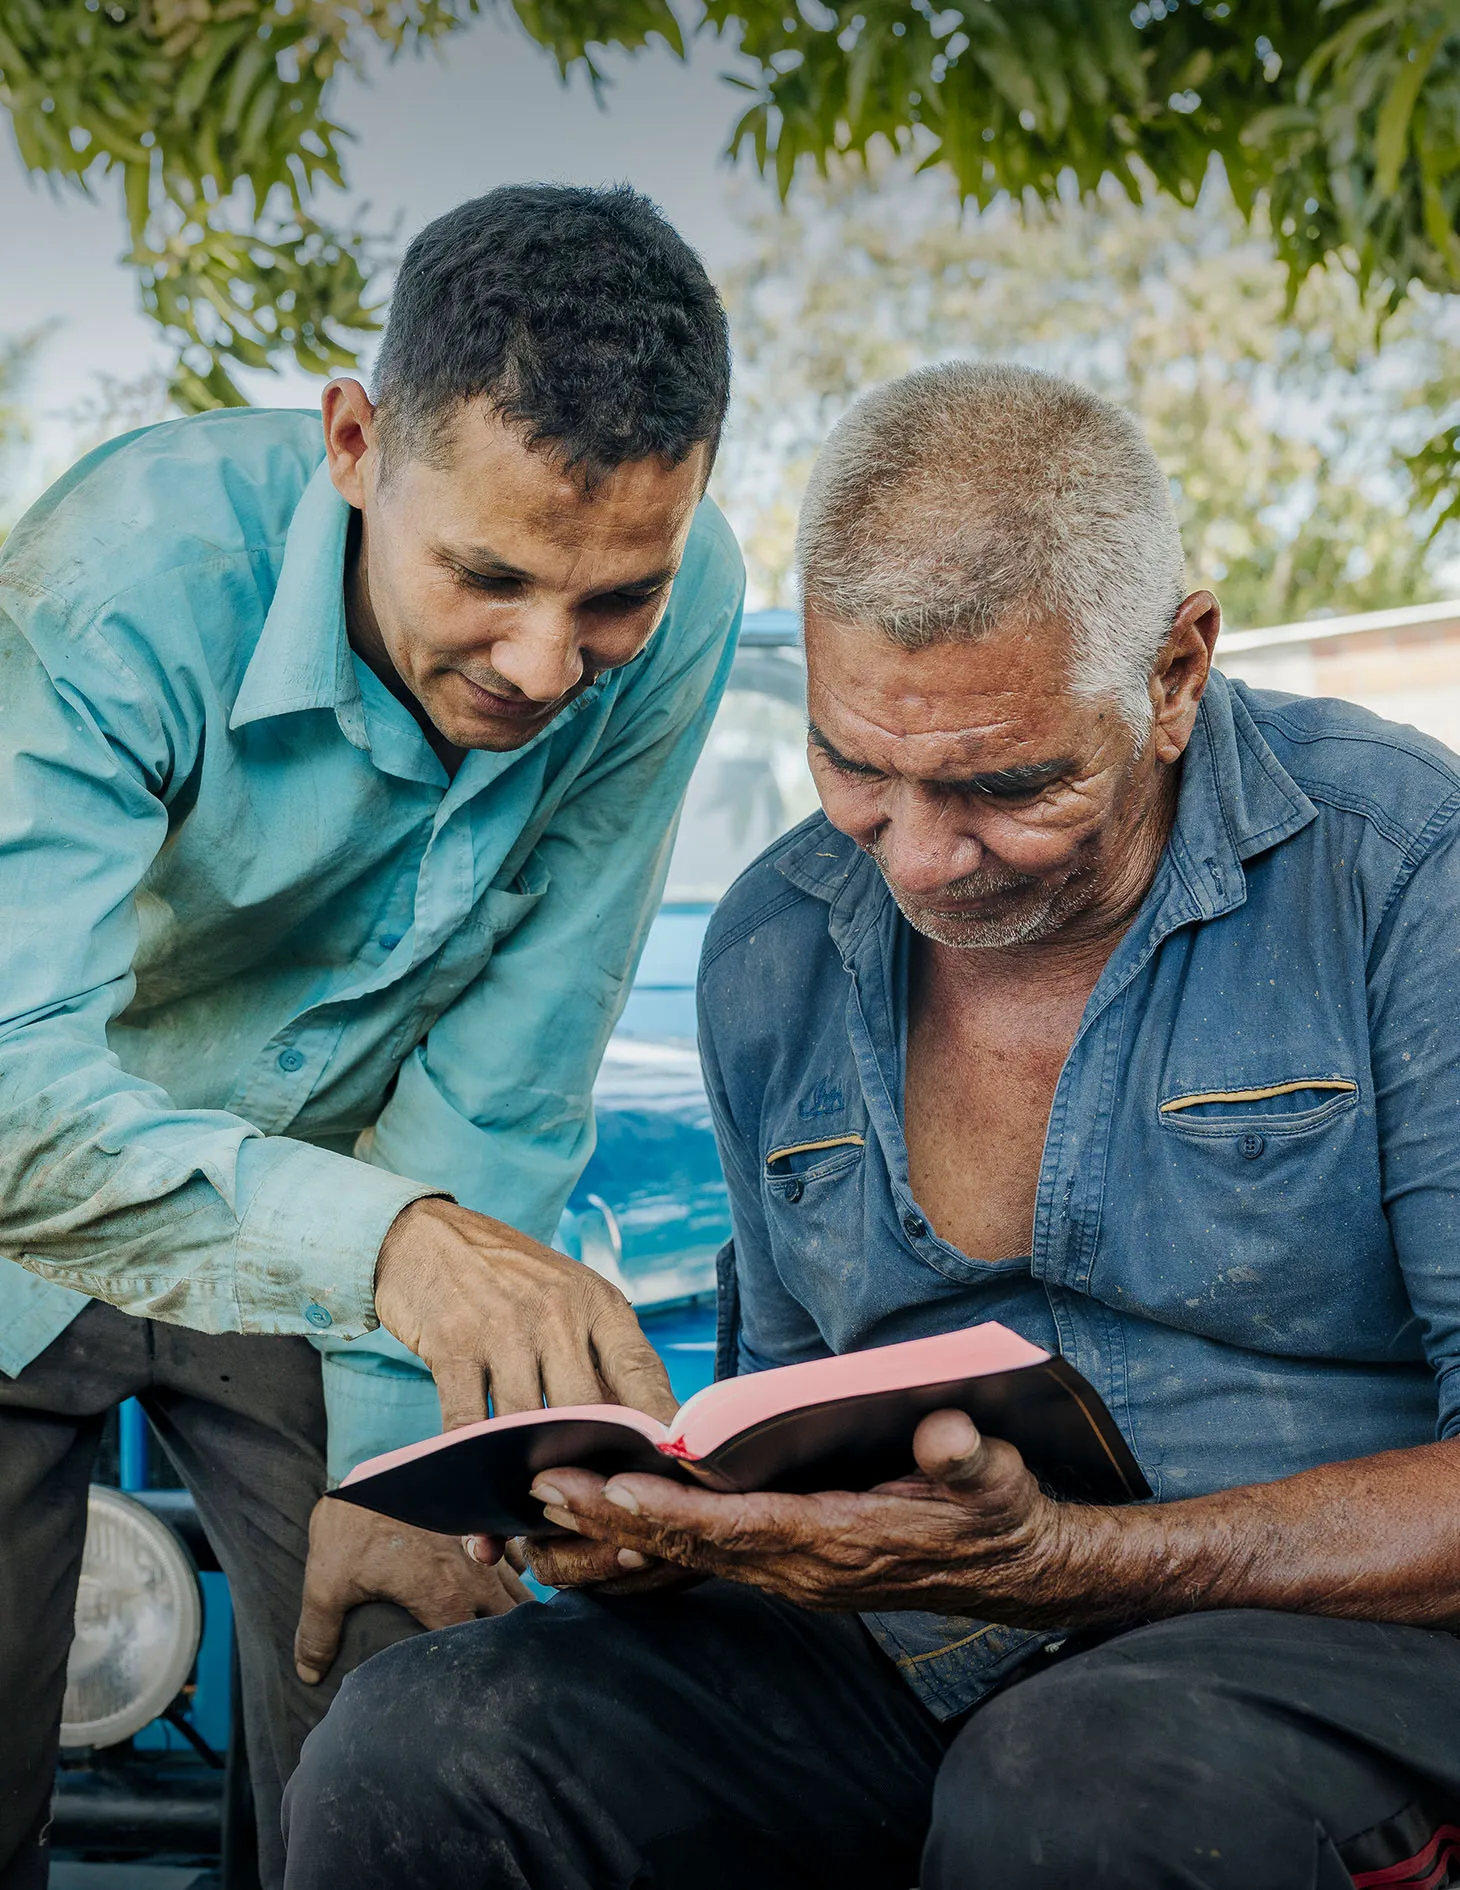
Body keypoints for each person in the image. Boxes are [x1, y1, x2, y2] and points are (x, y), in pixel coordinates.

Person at [284, 363, 1460, 1890]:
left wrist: (1078, 1563)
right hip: (911, 1640)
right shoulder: (773, 942)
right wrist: (677, 1530)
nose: (921, 859)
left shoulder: (1404, 877)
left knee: (1074, 1794)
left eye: (1006, 785)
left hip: (1335, 1653)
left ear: (1176, 671)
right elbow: (780, 1421)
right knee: (424, 1748)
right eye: (855, 766)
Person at [0, 183, 742, 1890]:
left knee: (408, 1726)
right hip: (48, 1188)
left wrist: (406, 1449)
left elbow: (523, 1042)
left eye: (612, 595)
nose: (549, 664)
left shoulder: (685, 609)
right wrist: (403, 1249)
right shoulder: (122, 583)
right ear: (354, 441)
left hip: (336, 1262)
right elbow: (18, 1098)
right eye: (485, 575)